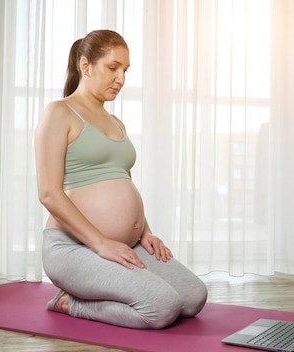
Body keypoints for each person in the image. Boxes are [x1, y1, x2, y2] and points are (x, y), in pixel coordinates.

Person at [34, 29, 208, 330]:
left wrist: (146, 232)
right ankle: (68, 302)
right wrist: (101, 243)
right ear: (86, 66)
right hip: (74, 248)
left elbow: (123, 183)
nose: (121, 78)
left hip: (125, 244)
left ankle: (108, 282)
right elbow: (49, 193)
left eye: (125, 70)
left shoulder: (116, 123)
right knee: (162, 308)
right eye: (113, 67)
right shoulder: (59, 113)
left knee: (193, 297)